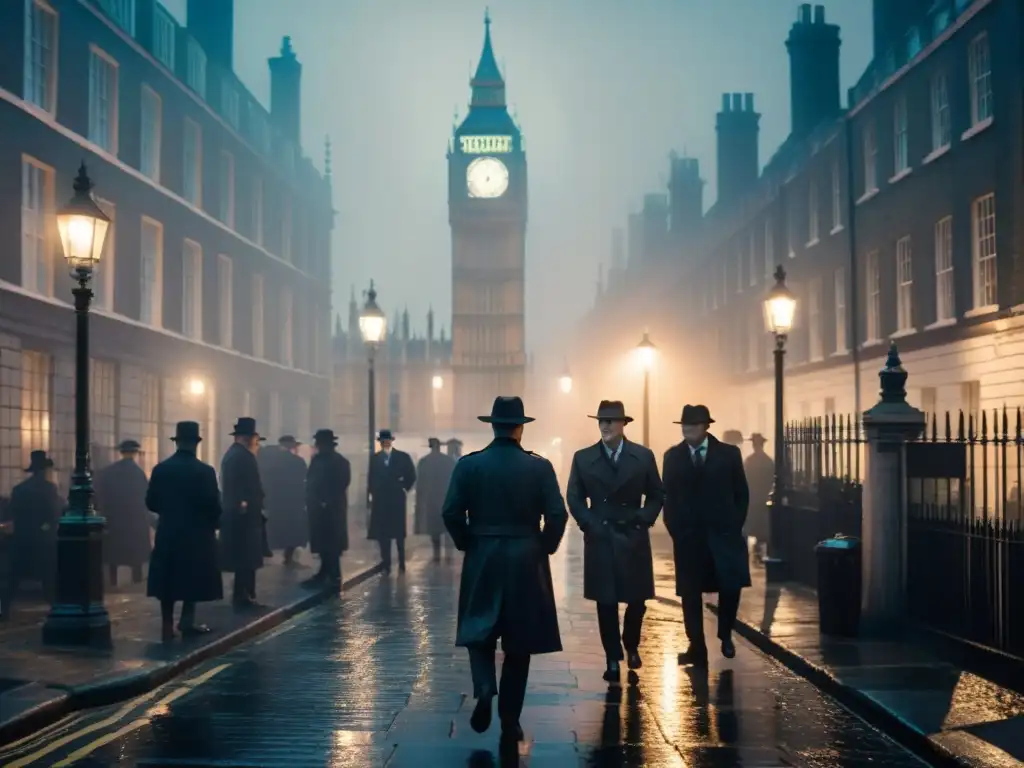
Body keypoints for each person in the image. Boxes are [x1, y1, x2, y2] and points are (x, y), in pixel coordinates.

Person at [442, 396, 567, 747]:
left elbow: (451, 512)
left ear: (492, 425)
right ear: (520, 427)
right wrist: (544, 546)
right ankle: (510, 720)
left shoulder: (470, 466)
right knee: (519, 641)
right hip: (525, 557)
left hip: (483, 554)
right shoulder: (539, 467)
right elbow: (557, 514)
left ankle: (484, 689)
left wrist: (468, 541)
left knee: (478, 628)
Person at [566, 400, 664, 684]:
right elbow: (574, 496)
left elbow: (657, 493)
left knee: (638, 599)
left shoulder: (643, 457)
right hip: (601, 537)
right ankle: (612, 658)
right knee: (605, 602)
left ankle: (630, 643)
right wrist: (589, 522)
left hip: (632, 534)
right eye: (601, 421)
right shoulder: (583, 458)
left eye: (611, 421)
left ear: (623, 424)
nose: (605, 426)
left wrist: (644, 518)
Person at [662, 404, 750, 666]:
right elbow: (668, 497)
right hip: (689, 538)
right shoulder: (673, 457)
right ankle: (696, 646)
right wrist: (676, 530)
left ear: (706, 427)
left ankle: (725, 634)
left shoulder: (728, 454)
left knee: (730, 586)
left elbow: (741, 494)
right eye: (685, 426)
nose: (687, 430)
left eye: (693, 425)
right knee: (690, 594)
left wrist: (734, 525)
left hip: (724, 536)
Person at [146, 422, 223, 640]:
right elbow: (214, 505)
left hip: (169, 532)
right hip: (196, 535)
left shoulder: (161, 469)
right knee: (191, 579)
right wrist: (213, 524)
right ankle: (187, 621)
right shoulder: (205, 472)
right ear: (196, 444)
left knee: (167, 580)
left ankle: (167, 625)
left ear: (177, 443)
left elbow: (151, 502)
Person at [220, 417, 267, 608]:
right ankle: (244, 595)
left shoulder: (234, 454)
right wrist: (245, 504)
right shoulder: (243, 456)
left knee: (245, 558)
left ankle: (246, 593)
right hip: (245, 516)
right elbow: (243, 486)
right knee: (246, 558)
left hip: (241, 515)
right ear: (248, 437)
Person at [94, 439, 151, 587]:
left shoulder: (108, 472)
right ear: (135, 453)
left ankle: (112, 582)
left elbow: (101, 495)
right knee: (135, 557)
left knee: (113, 555)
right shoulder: (138, 474)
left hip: (114, 519)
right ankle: (136, 582)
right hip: (134, 521)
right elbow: (145, 497)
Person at [7, 451, 62, 599]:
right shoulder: (50, 489)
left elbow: (12, 511)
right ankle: (52, 603)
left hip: (22, 537)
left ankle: (4, 609)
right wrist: (45, 528)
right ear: (45, 470)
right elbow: (53, 514)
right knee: (49, 575)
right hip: (43, 540)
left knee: (14, 575)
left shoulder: (19, 489)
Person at [304, 429, 351, 591]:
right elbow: (309, 481)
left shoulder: (339, 461)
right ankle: (324, 572)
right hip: (318, 507)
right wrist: (314, 499)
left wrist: (326, 500)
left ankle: (334, 575)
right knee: (323, 542)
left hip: (333, 509)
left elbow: (342, 483)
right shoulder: (317, 460)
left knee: (332, 544)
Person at [367, 429, 416, 574]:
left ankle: (401, 561)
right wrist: (372, 494)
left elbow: (411, 475)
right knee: (383, 533)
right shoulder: (375, 459)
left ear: (391, 441)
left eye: (387, 440)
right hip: (381, 499)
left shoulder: (402, 457)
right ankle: (386, 561)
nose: (385, 443)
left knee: (399, 532)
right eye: (382, 441)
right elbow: (370, 479)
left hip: (396, 499)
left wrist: (403, 488)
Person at [262, 435, 309, 567]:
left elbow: (267, 481)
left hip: (276, 501)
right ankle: (288, 557)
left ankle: (269, 553)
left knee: (276, 528)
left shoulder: (272, 462)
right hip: (293, 501)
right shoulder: (298, 461)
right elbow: (303, 481)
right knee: (293, 531)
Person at [414, 437, 457, 563]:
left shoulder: (424, 462)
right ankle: (449, 555)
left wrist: (420, 501)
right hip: (446, 498)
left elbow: (420, 484)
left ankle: (436, 554)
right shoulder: (448, 461)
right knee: (447, 529)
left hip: (431, 500)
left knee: (435, 530)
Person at [743, 434, 774, 563]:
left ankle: (752, 549)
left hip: (751, 496)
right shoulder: (768, 461)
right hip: (761, 496)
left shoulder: (749, 460)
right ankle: (758, 547)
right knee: (761, 525)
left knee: (749, 524)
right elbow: (771, 479)